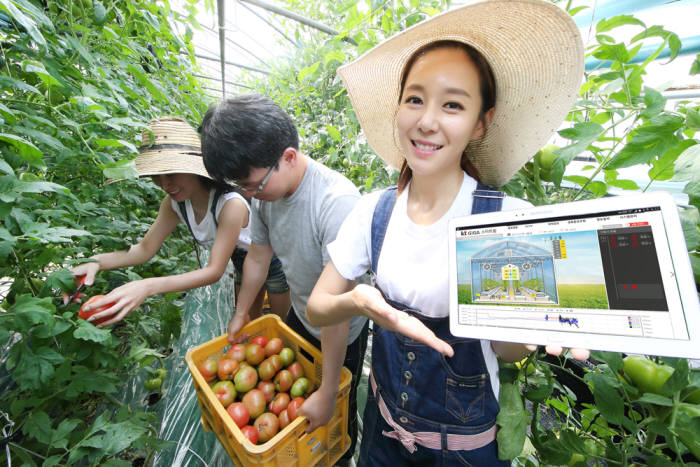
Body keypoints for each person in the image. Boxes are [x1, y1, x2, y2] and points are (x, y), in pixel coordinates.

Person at [305, 1, 589, 465]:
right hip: (382, 433)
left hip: (463, 452)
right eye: (415, 99)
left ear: (482, 122)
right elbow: (319, 307)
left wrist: (525, 324)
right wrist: (360, 301)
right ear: (398, 108)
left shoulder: (505, 222)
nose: (427, 120)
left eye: (453, 104)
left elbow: (509, 352)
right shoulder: (373, 213)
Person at [198, 95, 369, 464]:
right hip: (301, 316)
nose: (248, 194)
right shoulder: (263, 194)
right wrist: (243, 311)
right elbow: (259, 256)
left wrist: (327, 389)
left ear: (289, 157)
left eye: (252, 185)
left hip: (341, 330)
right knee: (297, 403)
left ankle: (339, 455)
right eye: (239, 185)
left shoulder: (335, 204)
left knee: (334, 411)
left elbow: (337, 310)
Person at [64, 116, 290, 324]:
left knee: (281, 323)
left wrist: (147, 286)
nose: (164, 184)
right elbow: (144, 249)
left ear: (193, 169)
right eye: (156, 176)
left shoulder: (230, 204)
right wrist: (95, 261)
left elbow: (214, 271)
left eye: (171, 173)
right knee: (251, 318)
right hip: (240, 259)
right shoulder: (174, 204)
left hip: (272, 257)